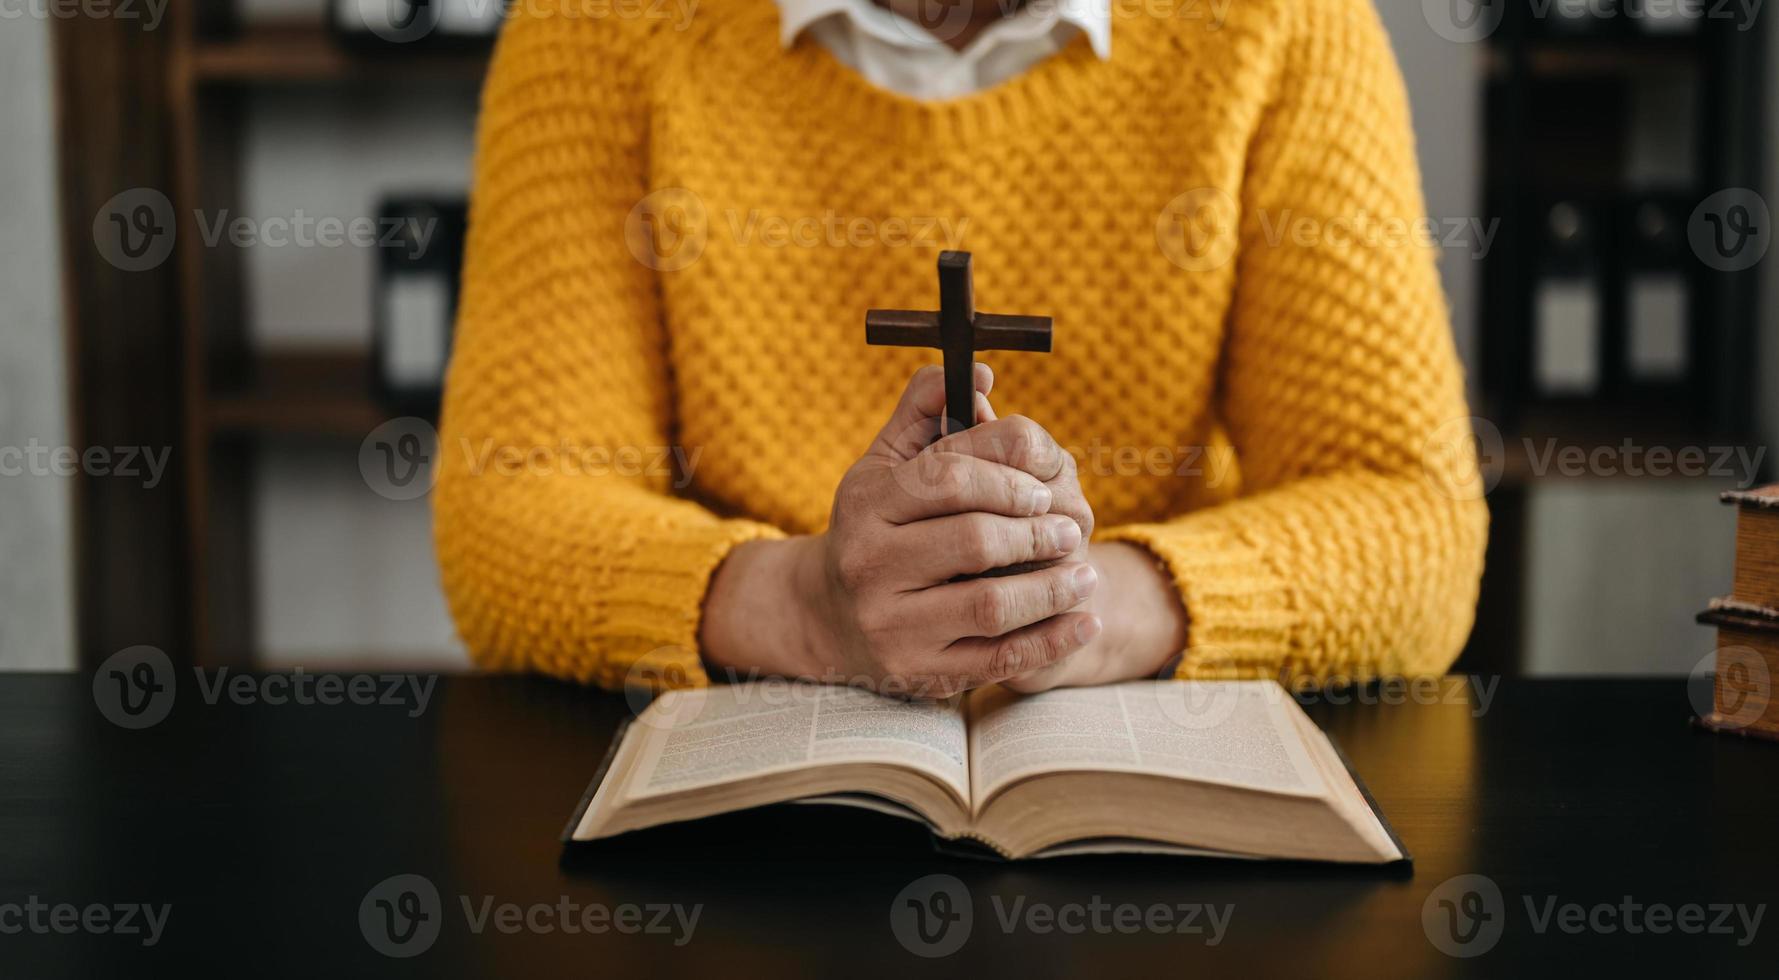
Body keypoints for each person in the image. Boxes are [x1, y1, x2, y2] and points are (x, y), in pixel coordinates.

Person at [432, 0, 1489, 698]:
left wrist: (1081, 606)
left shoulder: (1282, 22)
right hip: (750, 789)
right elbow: (514, 499)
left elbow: (1409, 513)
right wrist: (803, 605)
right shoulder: (603, 23)